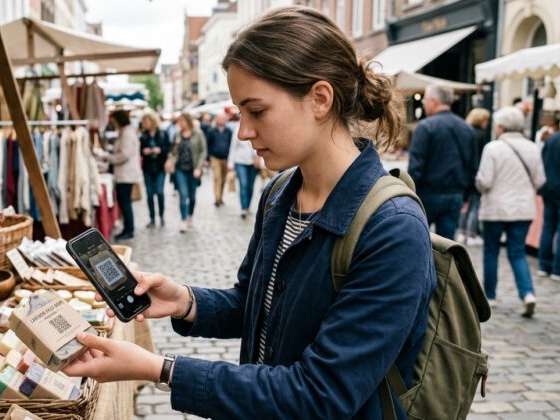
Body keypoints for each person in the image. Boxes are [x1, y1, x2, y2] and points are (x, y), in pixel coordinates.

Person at [62, 7, 436, 418]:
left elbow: (320, 395)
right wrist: (185, 301)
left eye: (256, 111)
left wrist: (161, 369)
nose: (243, 131)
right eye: (240, 112)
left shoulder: (392, 228)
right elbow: (255, 304)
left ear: (320, 98)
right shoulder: (280, 194)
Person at [475, 106, 546, 317]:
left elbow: (484, 181)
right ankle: (527, 294)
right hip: (523, 208)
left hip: (496, 208)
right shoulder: (533, 147)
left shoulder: (493, 148)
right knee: (517, 252)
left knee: (491, 251)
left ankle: (490, 295)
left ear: (501, 126)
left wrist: (480, 186)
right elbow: (541, 180)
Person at [408, 85, 476, 240]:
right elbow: (472, 165)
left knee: (418, 240)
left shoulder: (425, 127)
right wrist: (467, 195)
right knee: (446, 246)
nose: (424, 104)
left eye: (425, 100)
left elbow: (416, 166)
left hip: (428, 193)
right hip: (455, 194)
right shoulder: (466, 128)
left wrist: (410, 194)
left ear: (433, 101)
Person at [97, 110, 142, 241]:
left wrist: (108, 157)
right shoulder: (126, 131)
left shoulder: (127, 133)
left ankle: (129, 229)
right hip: (124, 173)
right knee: (124, 202)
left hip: (126, 174)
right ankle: (128, 228)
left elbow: (125, 154)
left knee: (125, 202)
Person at [457, 107, 491, 245]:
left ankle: (461, 231)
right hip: (475, 173)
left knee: (464, 206)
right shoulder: (481, 135)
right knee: (474, 205)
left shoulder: (465, 132)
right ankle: (471, 233)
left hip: (463, 174)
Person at [538, 125, 560, 282]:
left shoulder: (553, 138)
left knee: (548, 227)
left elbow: (543, 161)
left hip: (549, 188)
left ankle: (544, 265)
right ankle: (559, 269)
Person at [170, 112, 207, 233]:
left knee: (192, 196)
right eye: (179, 121)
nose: (180, 123)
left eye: (182, 121)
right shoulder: (178, 134)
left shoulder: (198, 133)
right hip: (180, 169)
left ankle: (190, 215)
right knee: (183, 195)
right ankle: (184, 220)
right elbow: (173, 152)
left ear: (188, 121)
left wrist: (198, 167)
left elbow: (203, 151)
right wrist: (175, 145)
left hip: (193, 169)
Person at [140, 112, 170, 228]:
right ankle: (152, 218)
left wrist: (160, 150)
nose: (145, 124)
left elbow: (168, 148)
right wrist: (144, 151)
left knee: (160, 192)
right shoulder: (143, 135)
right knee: (149, 194)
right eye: (144, 122)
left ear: (152, 121)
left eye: (147, 121)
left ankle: (161, 216)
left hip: (160, 168)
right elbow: (140, 150)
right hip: (147, 168)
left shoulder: (162, 134)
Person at [227, 113, 258, 218]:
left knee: (250, 186)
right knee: (243, 184)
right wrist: (230, 163)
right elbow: (233, 147)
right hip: (240, 161)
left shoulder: (257, 128)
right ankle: (243, 208)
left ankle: (248, 206)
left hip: (253, 163)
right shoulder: (237, 130)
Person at [206, 113, 233, 207]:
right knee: (217, 178)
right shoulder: (211, 131)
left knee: (224, 179)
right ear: (216, 120)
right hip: (215, 158)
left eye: (223, 119)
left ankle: (221, 197)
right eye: (219, 119)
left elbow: (231, 145)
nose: (221, 121)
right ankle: (217, 199)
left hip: (226, 158)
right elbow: (208, 144)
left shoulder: (229, 131)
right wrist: (208, 157)